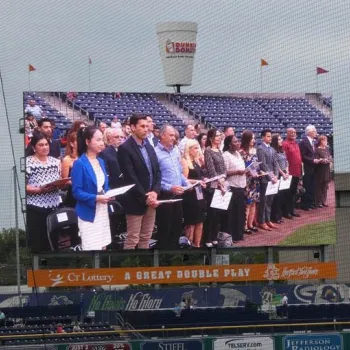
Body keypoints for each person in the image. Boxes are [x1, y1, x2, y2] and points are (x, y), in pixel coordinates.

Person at [118, 114, 161, 250]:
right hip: (135, 200)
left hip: (151, 199)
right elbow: (130, 177)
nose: (146, 129)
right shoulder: (125, 148)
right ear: (132, 127)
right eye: (142, 126)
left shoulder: (148, 145)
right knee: (133, 238)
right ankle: (127, 268)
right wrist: (145, 197)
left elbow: (157, 171)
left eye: (147, 126)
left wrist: (155, 191)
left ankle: (143, 266)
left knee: (146, 237)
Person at [71, 126, 112, 251]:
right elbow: (77, 192)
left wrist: (110, 193)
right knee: (92, 249)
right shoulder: (79, 163)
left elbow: (104, 185)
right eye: (98, 140)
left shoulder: (101, 161)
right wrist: (96, 198)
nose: (102, 143)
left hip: (102, 210)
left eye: (102, 140)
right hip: (88, 213)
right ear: (88, 142)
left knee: (103, 246)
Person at [155, 125, 190, 249]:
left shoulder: (175, 150)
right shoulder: (155, 152)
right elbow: (156, 179)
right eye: (171, 135)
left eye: (174, 135)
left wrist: (187, 183)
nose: (173, 137)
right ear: (162, 135)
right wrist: (170, 188)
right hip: (165, 196)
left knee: (176, 227)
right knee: (165, 229)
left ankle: (175, 255)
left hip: (179, 195)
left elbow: (179, 173)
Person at [26, 133, 62, 252]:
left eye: (46, 144)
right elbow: (23, 186)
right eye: (41, 145)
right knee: (38, 242)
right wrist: (39, 190)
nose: (45, 147)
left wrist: (63, 183)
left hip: (54, 206)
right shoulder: (28, 163)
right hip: (36, 208)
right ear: (34, 147)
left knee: (53, 241)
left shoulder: (55, 162)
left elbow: (59, 180)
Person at [99, 128, 125, 236]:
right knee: (113, 221)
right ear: (110, 139)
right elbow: (105, 174)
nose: (119, 139)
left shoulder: (125, 151)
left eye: (121, 137)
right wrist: (109, 191)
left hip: (125, 189)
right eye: (116, 137)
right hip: (114, 190)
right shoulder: (105, 153)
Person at [203, 128, 226, 247]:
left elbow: (223, 168)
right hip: (213, 186)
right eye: (217, 136)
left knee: (218, 214)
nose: (219, 138)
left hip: (222, 184)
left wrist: (223, 181)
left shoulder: (219, 150)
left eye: (220, 136)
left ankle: (214, 236)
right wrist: (219, 182)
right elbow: (211, 170)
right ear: (211, 138)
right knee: (211, 214)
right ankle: (207, 238)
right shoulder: (208, 151)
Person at [181, 139, 206, 247]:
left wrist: (204, 180)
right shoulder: (184, 161)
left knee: (200, 221)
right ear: (189, 149)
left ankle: (198, 244)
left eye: (198, 148)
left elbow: (199, 176)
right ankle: (189, 245)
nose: (198, 150)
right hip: (190, 195)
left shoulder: (196, 161)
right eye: (195, 148)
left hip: (199, 193)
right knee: (191, 222)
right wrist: (198, 181)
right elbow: (184, 179)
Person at [222, 135, 247, 243]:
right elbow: (224, 172)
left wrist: (247, 171)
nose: (238, 143)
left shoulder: (238, 154)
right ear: (229, 144)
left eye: (238, 141)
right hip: (232, 186)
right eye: (235, 142)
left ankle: (239, 234)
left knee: (240, 212)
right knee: (232, 213)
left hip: (241, 185)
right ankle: (232, 235)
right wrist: (237, 172)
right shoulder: (226, 155)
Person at [257, 129, 278, 231]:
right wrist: (271, 177)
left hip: (272, 179)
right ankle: (262, 221)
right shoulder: (260, 149)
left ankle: (268, 220)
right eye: (268, 136)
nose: (270, 138)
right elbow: (263, 165)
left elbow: (275, 164)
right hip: (265, 179)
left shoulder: (272, 149)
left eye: (270, 136)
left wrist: (276, 176)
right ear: (263, 137)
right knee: (263, 201)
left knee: (270, 201)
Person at [240, 130, 260, 234]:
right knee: (247, 203)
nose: (253, 140)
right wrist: (250, 172)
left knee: (253, 202)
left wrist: (258, 171)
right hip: (246, 180)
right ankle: (244, 226)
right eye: (252, 138)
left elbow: (256, 164)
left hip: (255, 180)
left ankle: (250, 224)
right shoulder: (242, 152)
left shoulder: (254, 151)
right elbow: (242, 166)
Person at [271, 133, 290, 224]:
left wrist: (286, 171)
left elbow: (286, 161)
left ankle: (280, 214)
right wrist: (282, 173)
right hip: (278, 175)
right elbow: (276, 164)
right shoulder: (274, 151)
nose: (281, 140)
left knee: (282, 196)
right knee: (277, 197)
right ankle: (276, 216)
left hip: (284, 175)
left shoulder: (282, 151)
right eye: (279, 139)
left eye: (281, 139)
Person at [282, 128, 302, 217]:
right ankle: (286, 212)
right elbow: (284, 159)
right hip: (289, 172)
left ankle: (292, 210)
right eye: (291, 132)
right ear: (287, 133)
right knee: (288, 193)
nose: (293, 134)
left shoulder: (296, 143)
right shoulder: (285, 144)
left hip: (297, 171)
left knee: (293, 192)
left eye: (294, 132)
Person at [299, 125, 319, 210]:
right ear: (310, 132)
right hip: (307, 167)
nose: (316, 133)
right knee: (307, 185)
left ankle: (310, 203)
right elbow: (302, 156)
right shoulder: (304, 142)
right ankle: (305, 204)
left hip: (313, 167)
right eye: (314, 131)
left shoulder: (313, 142)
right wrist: (312, 160)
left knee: (312, 185)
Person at [61, 131, 78, 207]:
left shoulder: (86, 157)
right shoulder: (67, 159)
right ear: (71, 144)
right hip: (73, 194)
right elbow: (65, 180)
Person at [314, 135, 332, 207]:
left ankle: (324, 201)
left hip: (327, 169)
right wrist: (323, 160)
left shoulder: (327, 149)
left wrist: (328, 160)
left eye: (326, 140)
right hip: (320, 170)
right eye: (324, 140)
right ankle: (319, 202)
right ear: (321, 141)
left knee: (325, 186)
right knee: (319, 186)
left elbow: (330, 157)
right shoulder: (317, 149)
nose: (326, 142)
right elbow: (317, 159)